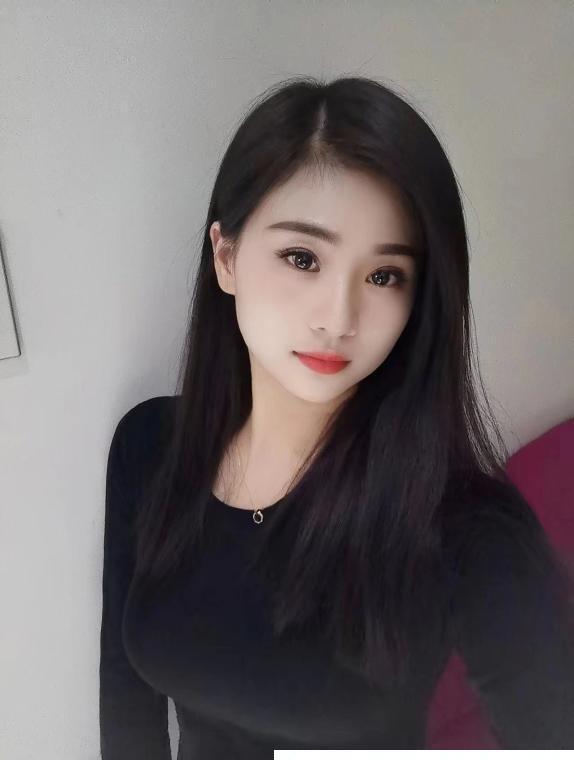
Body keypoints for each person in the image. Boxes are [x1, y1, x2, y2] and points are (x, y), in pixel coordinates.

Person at [99, 75, 574, 758]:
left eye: (384, 276)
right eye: (303, 258)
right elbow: (128, 705)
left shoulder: (463, 525)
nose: (339, 318)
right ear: (226, 257)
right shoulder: (150, 447)